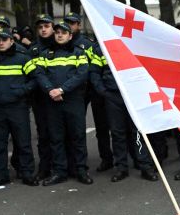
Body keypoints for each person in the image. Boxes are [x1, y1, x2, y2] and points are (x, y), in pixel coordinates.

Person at [0, 27, 39, 188]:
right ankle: (0, 174)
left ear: (12, 41)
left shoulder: (22, 58)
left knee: (23, 142)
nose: (1, 43)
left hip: (17, 107)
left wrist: (21, 92)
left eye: (4, 40)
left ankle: (27, 173)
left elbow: (34, 80)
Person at [32, 21, 92, 186]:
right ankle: (60, 172)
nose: (59, 35)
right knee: (56, 138)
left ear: (70, 35)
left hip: (73, 101)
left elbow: (81, 75)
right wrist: (51, 90)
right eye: (57, 32)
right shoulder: (45, 54)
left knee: (77, 136)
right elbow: (39, 74)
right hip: (52, 101)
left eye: (63, 33)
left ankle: (81, 170)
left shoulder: (79, 53)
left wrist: (62, 90)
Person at [89, 45, 159, 182]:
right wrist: (103, 91)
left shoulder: (132, 43)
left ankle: (145, 166)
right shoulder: (102, 47)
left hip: (134, 96)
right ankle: (121, 168)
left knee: (138, 133)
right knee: (117, 133)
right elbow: (94, 72)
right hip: (113, 96)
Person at [65, 11, 114, 170]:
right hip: (72, 91)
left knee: (102, 125)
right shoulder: (60, 44)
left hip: (91, 89)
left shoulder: (89, 44)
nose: (70, 26)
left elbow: (95, 69)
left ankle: (107, 158)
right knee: (74, 127)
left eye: (73, 23)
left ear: (79, 25)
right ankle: (74, 161)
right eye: (68, 22)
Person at [29, 14, 56, 180]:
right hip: (40, 97)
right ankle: (44, 167)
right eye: (40, 27)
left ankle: (63, 166)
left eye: (46, 26)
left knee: (60, 133)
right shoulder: (33, 49)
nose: (43, 30)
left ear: (53, 27)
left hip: (58, 96)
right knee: (43, 134)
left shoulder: (61, 45)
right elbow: (31, 74)